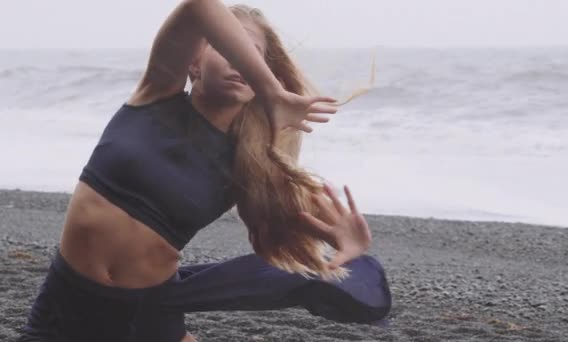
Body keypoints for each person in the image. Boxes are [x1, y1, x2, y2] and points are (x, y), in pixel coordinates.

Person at [18, 1, 392, 341]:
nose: (242, 63)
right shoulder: (155, 97)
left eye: (256, 56)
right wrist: (271, 88)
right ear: (195, 63)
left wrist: (350, 247)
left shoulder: (250, 164)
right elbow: (198, 7)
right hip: (68, 301)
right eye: (231, 50)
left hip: (149, 314)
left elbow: (298, 235)